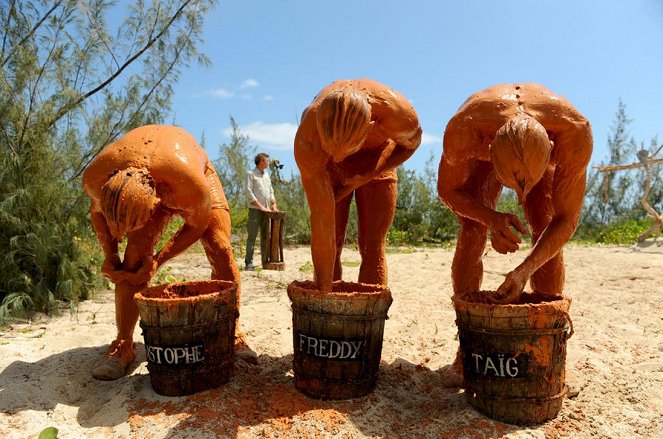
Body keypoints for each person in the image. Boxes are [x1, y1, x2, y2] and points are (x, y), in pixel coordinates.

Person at [437, 82, 593, 385]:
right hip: (486, 151)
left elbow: (566, 220)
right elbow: (447, 190)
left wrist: (524, 271)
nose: (518, 196)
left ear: (550, 148)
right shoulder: (465, 129)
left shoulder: (573, 131)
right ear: (491, 149)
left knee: (544, 219)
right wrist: (490, 217)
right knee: (472, 229)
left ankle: (551, 352)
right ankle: (466, 351)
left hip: (539, 157)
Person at [83, 125, 254, 380]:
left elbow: (196, 227)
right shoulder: (95, 177)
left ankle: (234, 331)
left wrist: (158, 260)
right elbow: (97, 213)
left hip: (190, 174)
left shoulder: (191, 185)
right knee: (132, 263)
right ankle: (123, 344)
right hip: (144, 173)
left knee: (220, 246)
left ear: (153, 205)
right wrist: (110, 255)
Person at [294, 78, 422, 292]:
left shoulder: (397, 113)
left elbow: (411, 144)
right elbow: (321, 220)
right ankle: (326, 293)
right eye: (333, 149)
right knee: (331, 240)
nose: (338, 157)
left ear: (371, 125)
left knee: (373, 244)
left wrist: (371, 173)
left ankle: (371, 311)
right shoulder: (307, 140)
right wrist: (324, 297)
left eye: (346, 150)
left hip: (376, 161)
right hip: (329, 172)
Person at [245, 153, 278, 270]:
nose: (269, 163)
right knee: (252, 237)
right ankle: (248, 263)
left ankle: (265, 262)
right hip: (254, 211)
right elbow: (249, 193)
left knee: (266, 237)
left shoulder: (267, 176)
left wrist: (273, 205)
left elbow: (271, 192)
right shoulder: (251, 174)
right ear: (261, 162)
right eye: (267, 161)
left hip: (267, 212)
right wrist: (261, 207)